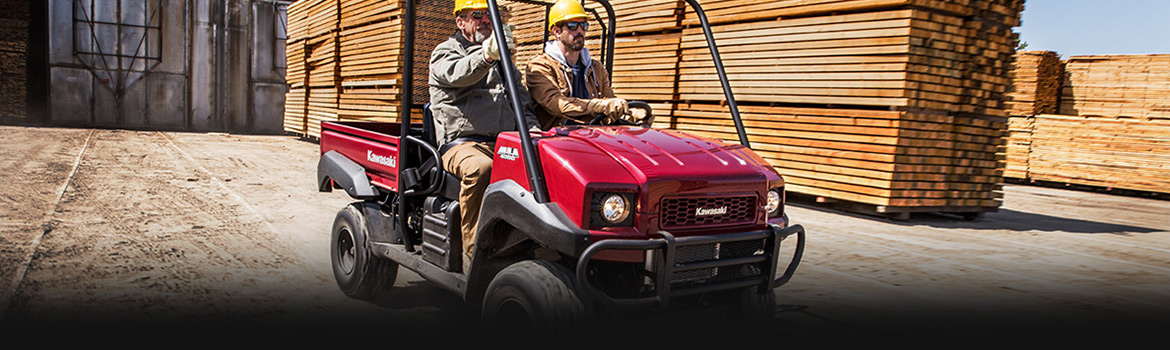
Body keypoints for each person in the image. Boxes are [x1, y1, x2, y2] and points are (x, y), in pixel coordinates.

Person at [429, 0, 540, 271]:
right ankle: (474, 253)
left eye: (490, 16)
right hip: (462, 144)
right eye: (477, 15)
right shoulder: (445, 52)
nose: (485, 21)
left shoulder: (502, 61)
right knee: (481, 170)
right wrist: (487, 56)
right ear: (460, 22)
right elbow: (457, 74)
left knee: (542, 164)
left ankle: (531, 243)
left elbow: (521, 102)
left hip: (502, 141)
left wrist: (534, 131)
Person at [525, 0, 636, 129]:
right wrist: (598, 106)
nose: (580, 31)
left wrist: (630, 113)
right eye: (573, 26)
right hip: (558, 139)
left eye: (583, 26)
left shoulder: (596, 68)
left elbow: (610, 102)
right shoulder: (540, 67)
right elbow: (555, 104)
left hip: (594, 135)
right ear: (557, 31)